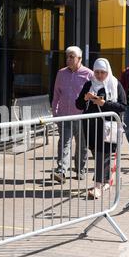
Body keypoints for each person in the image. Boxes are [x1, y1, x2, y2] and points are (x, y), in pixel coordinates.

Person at [76, 58, 127, 199]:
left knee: (101, 154)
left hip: (108, 126)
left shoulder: (115, 84)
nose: (99, 75)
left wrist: (104, 103)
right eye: (97, 72)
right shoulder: (89, 84)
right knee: (98, 154)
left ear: (107, 72)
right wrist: (86, 98)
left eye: (102, 72)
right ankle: (105, 180)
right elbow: (78, 105)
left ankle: (97, 186)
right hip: (90, 126)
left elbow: (122, 106)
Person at [51, 46, 92, 183]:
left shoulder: (88, 74)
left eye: (72, 57)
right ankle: (61, 171)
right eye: (67, 56)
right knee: (64, 143)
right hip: (64, 115)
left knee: (82, 145)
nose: (68, 59)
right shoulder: (61, 73)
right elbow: (56, 93)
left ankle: (80, 170)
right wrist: (55, 112)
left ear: (79, 59)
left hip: (81, 116)